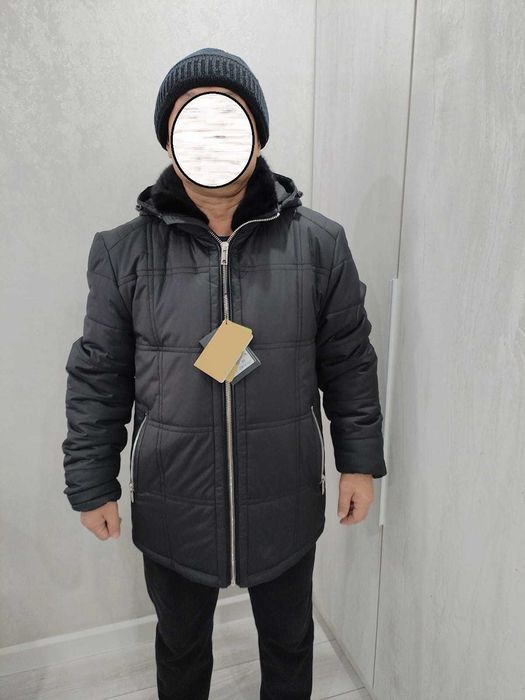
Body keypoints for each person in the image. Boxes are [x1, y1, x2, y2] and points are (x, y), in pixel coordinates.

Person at [62, 47, 387, 700]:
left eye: (228, 116)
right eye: (192, 119)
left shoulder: (320, 245)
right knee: (180, 650)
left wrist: (358, 463)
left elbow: (348, 359)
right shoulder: (122, 253)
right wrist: (91, 481)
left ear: (257, 133)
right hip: (173, 502)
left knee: (289, 643)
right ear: (169, 138)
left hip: (285, 495)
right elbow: (99, 376)